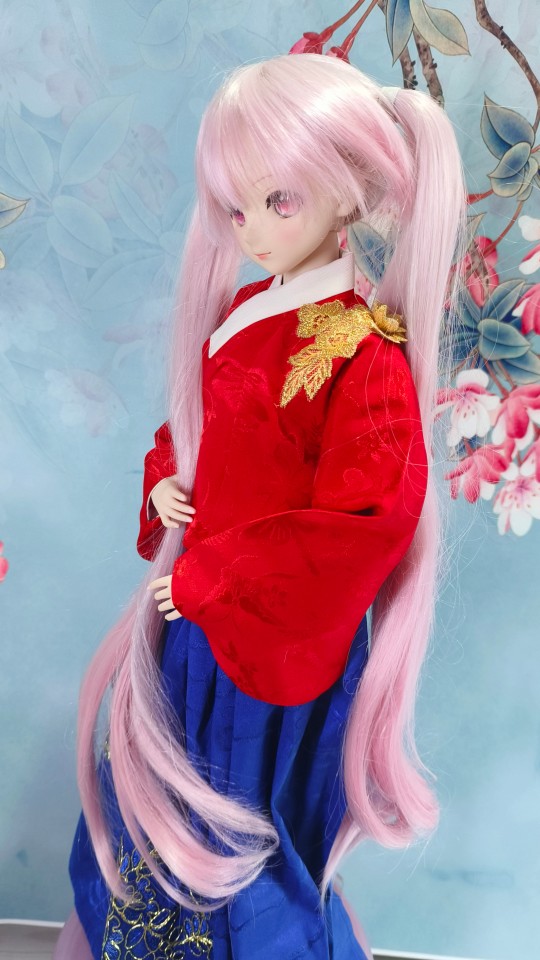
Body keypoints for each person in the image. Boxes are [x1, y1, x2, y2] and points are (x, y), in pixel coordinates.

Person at [54, 52, 467, 960]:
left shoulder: (361, 350)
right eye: (236, 210)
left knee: (240, 830)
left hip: (268, 641)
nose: (253, 231)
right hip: (195, 621)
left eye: (278, 202)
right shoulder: (249, 306)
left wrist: (216, 575)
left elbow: (365, 522)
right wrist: (166, 483)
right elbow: (201, 428)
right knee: (157, 809)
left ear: (348, 191)